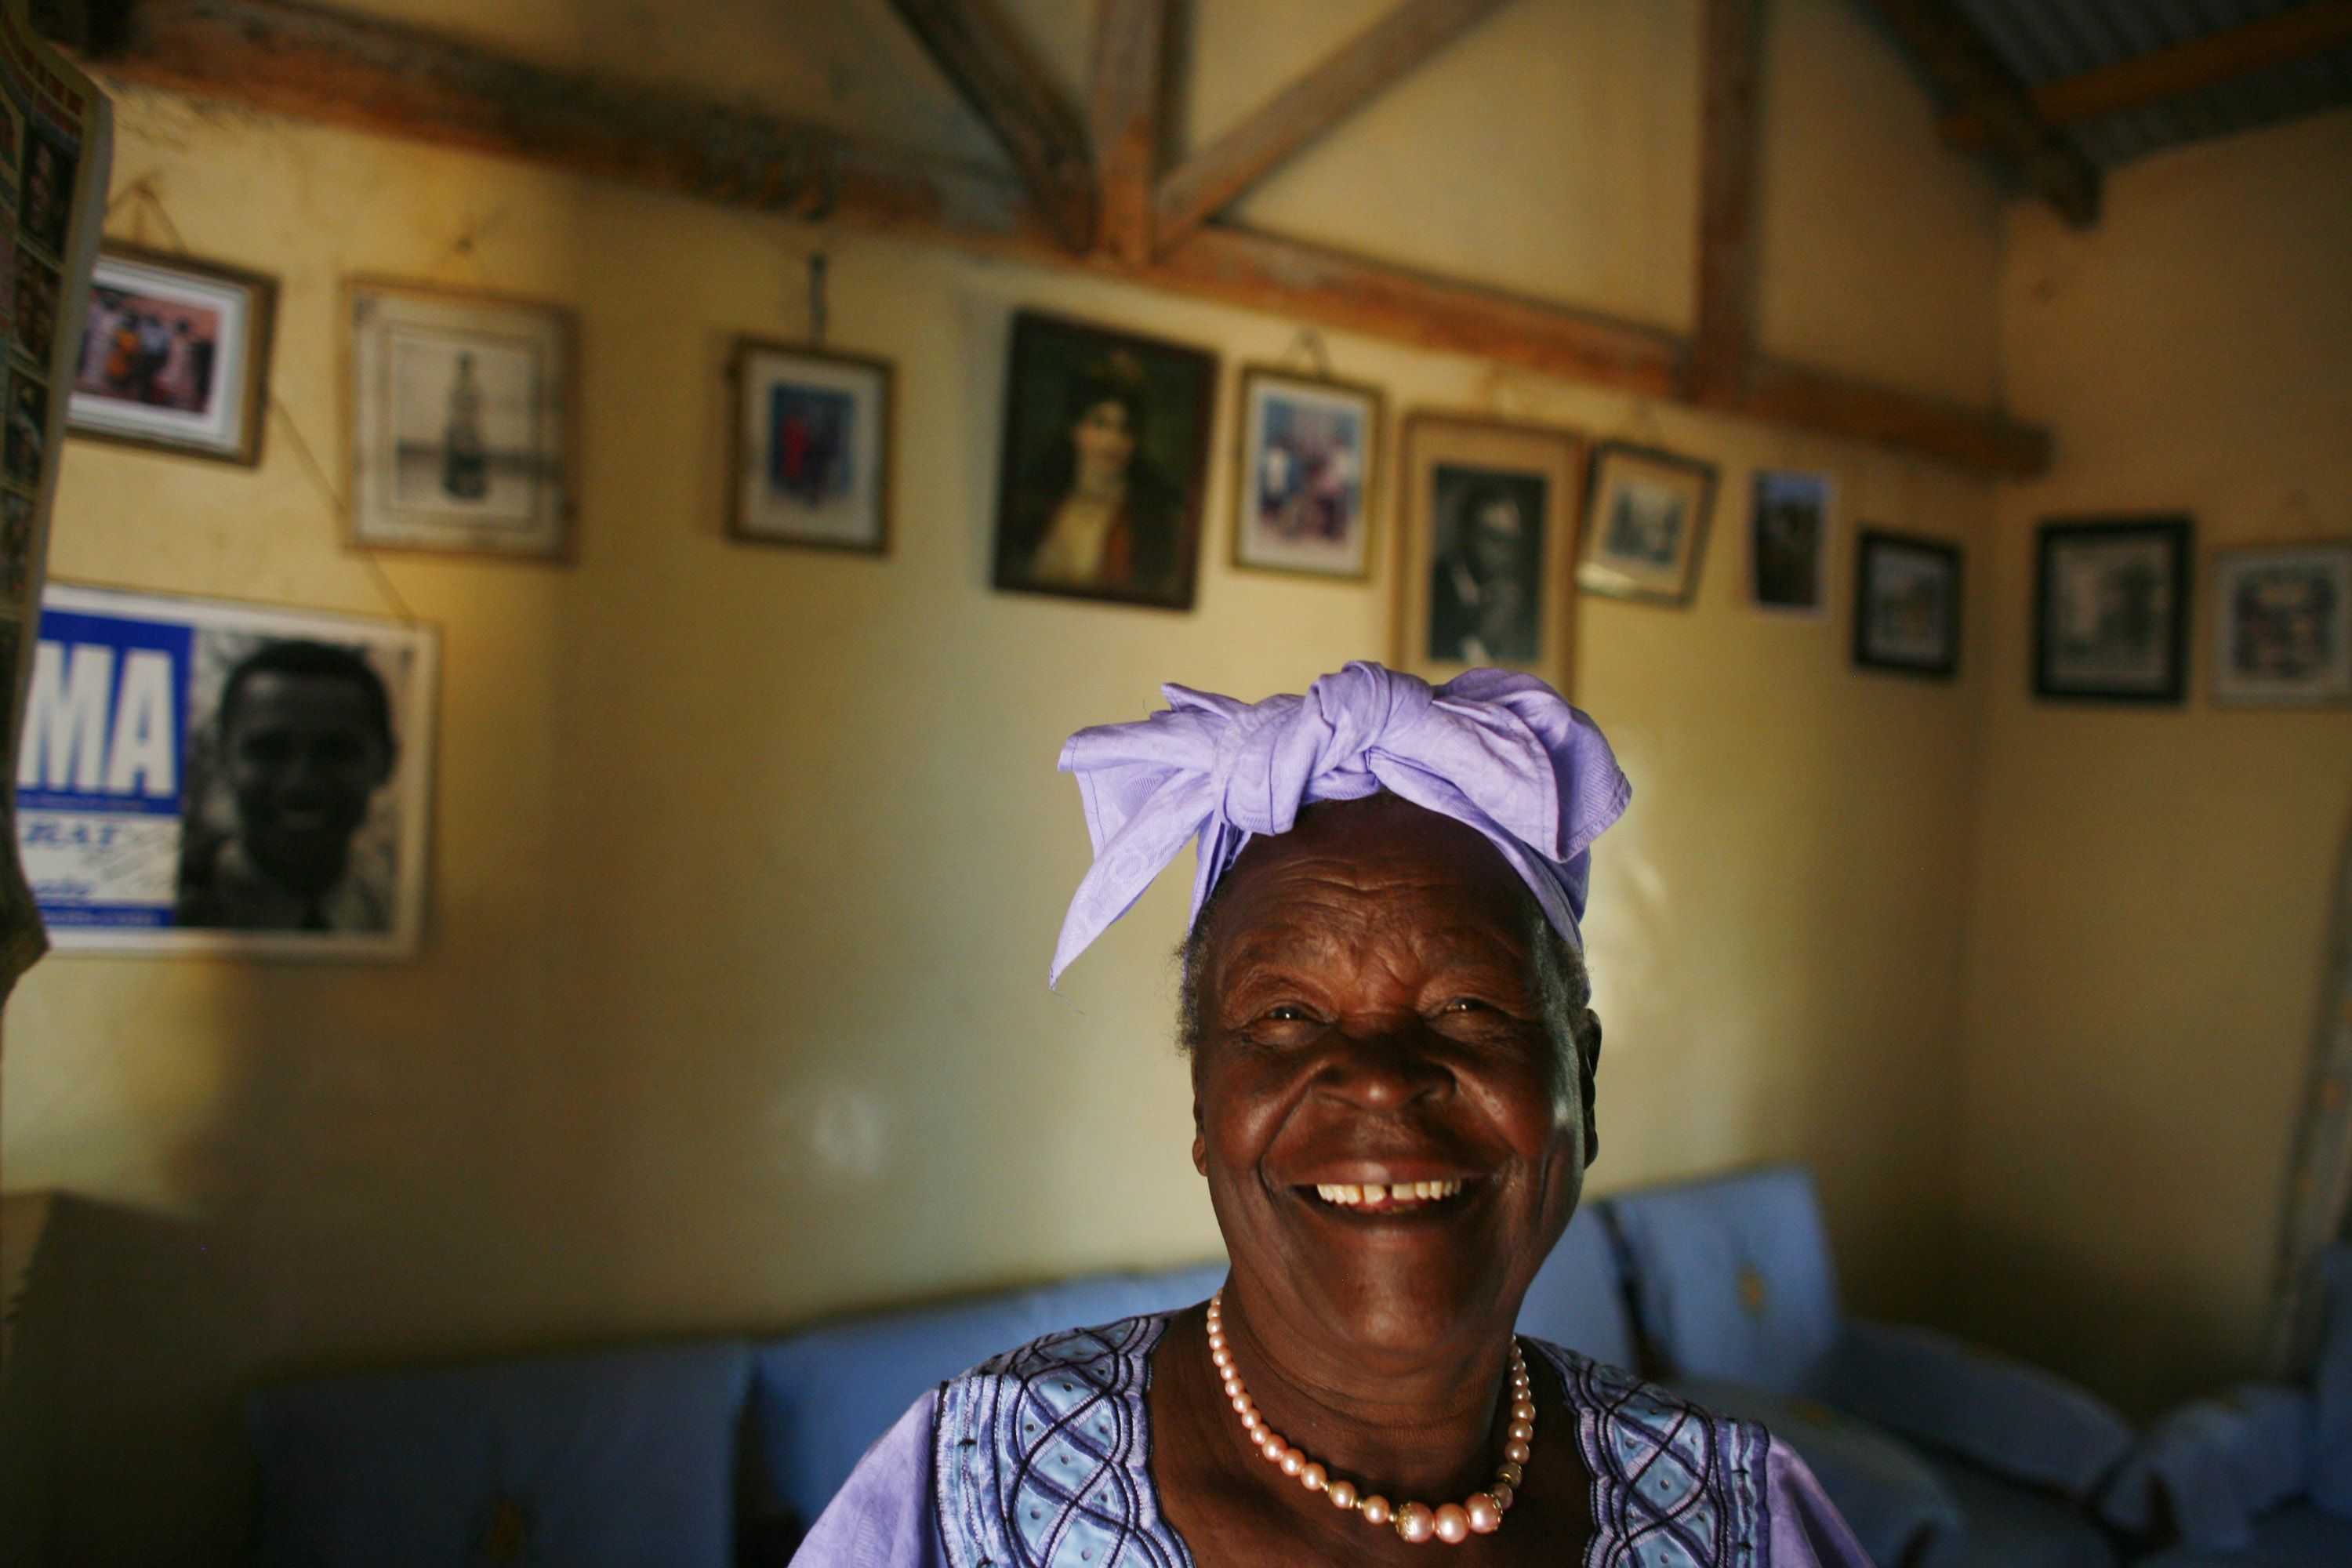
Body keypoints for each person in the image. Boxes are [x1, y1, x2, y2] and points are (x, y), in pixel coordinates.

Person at [793, 662, 1869, 1566]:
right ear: (1207, 1108)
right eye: (1287, 1016)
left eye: (1468, 1005)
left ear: (1578, 1083)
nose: (1381, 1078)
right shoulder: (973, 1499)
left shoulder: (1738, 1521)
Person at [176, 640, 397, 933]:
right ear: (223, 759)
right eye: (269, 751)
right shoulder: (178, 912)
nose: (301, 784)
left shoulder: (403, 912)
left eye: (336, 752)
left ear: (388, 762)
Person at [1004, 350, 1181, 595]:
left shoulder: (1150, 517)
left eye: (1124, 428)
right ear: (1075, 428)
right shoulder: (1036, 502)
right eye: (1100, 423)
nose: (1113, 440)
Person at [1428, 481, 1540, 665]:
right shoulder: (1434, 588)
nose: (1505, 553)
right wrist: (1481, 639)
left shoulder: (1514, 596)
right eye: (1494, 538)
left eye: (1511, 541)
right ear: (1465, 534)